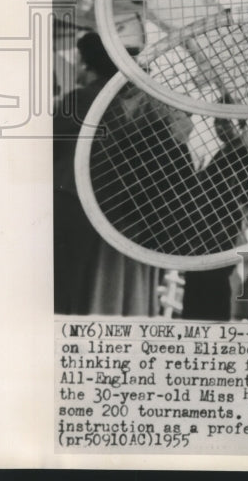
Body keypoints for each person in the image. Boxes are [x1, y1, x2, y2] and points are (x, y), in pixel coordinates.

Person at [54, 31, 159, 315]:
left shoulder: (81, 99)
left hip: (68, 196)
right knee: (80, 279)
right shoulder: (119, 105)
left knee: (59, 281)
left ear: (87, 63)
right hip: (102, 204)